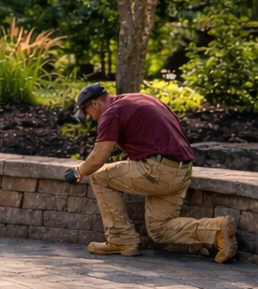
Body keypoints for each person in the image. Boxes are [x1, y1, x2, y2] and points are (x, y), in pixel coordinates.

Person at [63, 82, 237, 262]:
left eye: (87, 113)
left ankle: (121, 238)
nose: (91, 118)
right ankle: (217, 230)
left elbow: (99, 157)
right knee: (159, 229)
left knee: (99, 176)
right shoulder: (139, 98)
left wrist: (78, 172)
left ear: (95, 104)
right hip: (181, 171)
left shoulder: (111, 113)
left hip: (158, 171)